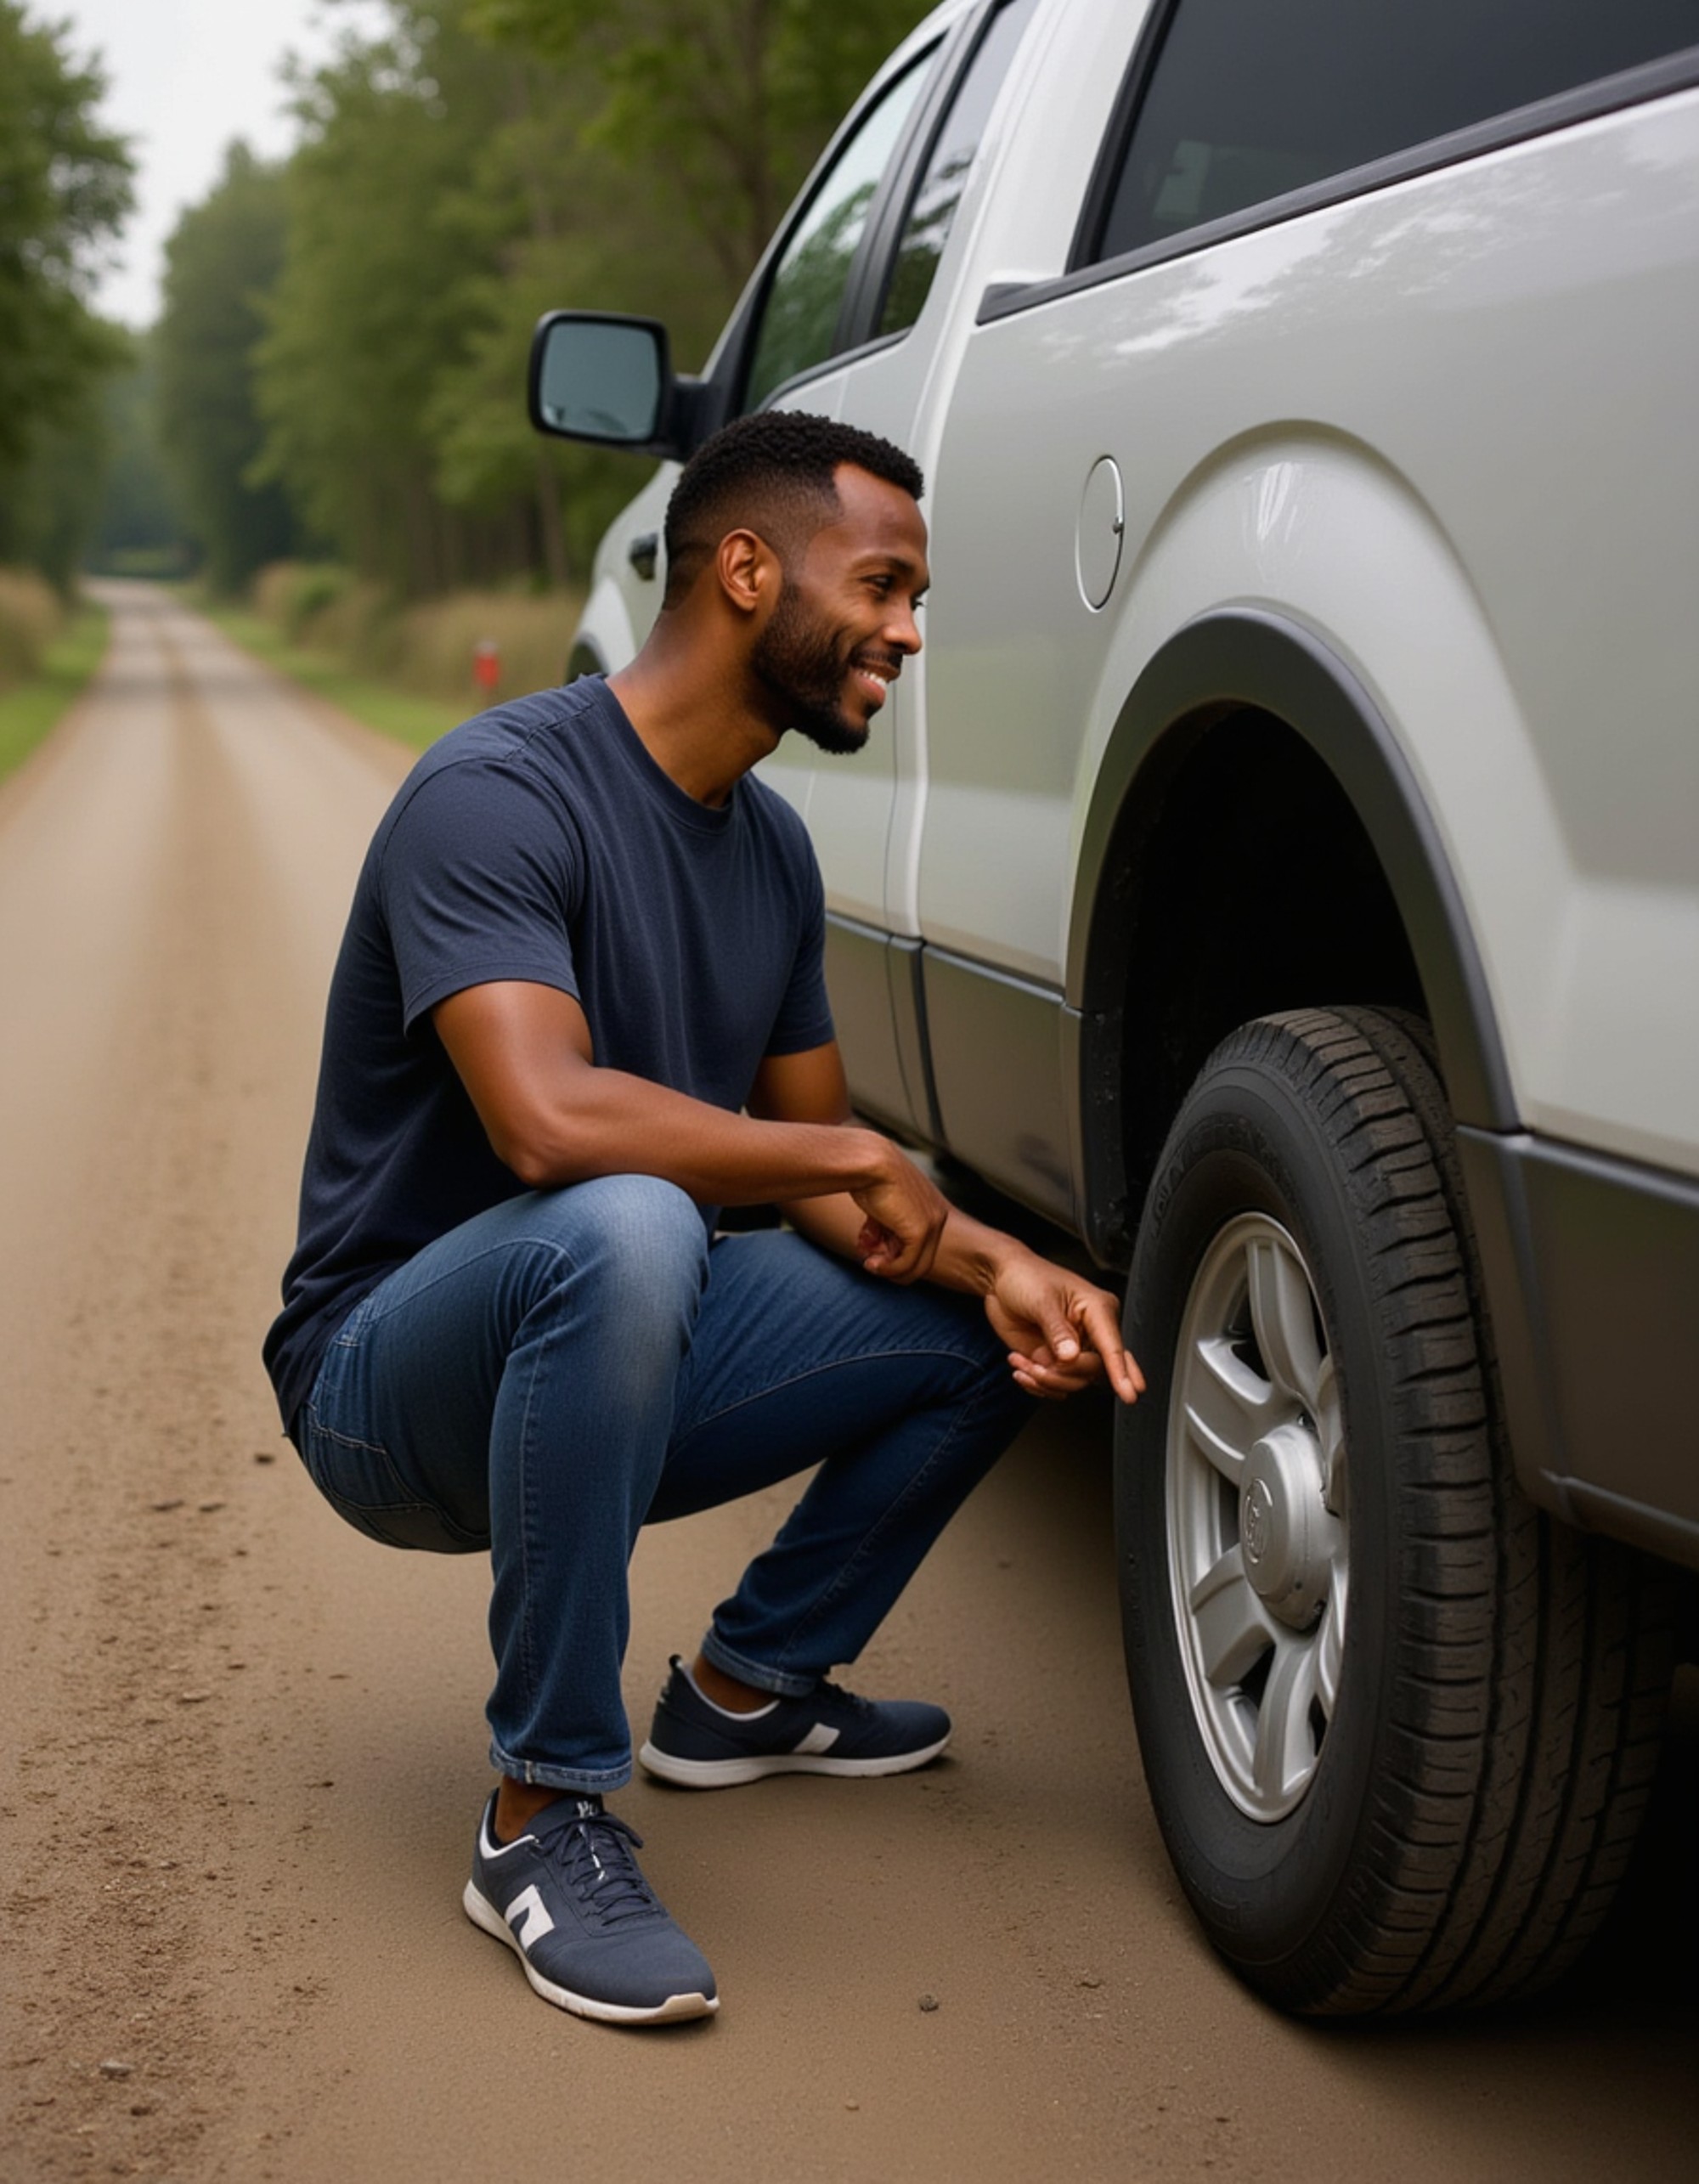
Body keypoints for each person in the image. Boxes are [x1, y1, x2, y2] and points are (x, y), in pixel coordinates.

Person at [263, 409, 1143, 2028]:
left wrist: (1010, 1261)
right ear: (747, 569)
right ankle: (537, 1815)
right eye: (880, 584)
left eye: (915, 596)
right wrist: (852, 1167)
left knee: (970, 1313)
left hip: (607, 1352)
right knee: (633, 1218)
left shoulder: (774, 854)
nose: (907, 629)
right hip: (386, 1386)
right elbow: (546, 1121)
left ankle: (748, 1690)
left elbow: (829, 1174)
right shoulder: (497, 793)